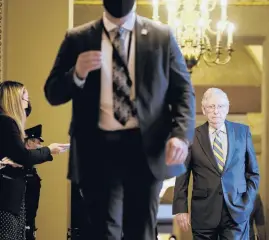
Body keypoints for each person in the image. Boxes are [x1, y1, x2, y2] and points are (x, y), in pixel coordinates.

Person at [44, 0, 195, 239]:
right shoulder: (78, 38)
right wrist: (77, 73)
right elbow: (52, 92)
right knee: (103, 231)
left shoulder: (160, 36)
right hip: (97, 149)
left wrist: (180, 136)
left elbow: (183, 91)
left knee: (141, 230)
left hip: (146, 147)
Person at [173, 88, 260, 240]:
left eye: (220, 106)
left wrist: (248, 202)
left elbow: (253, 173)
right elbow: (182, 174)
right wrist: (181, 208)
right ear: (203, 110)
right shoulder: (192, 137)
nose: (216, 111)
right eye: (211, 107)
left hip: (237, 210)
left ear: (227, 108)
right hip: (203, 212)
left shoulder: (242, 132)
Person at [0, 80, 67, 240]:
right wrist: (49, 150)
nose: (27, 104)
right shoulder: (6, 122)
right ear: (14, 100)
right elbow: (24, 156)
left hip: (12, 198)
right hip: (6, 198)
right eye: (25, 99)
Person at [23, 124, 45, 240]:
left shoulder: (31, 169)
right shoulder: (20, 168)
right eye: (37, 142)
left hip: (29, 222)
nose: (39, 146)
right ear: (29, 142)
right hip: (21, 222)